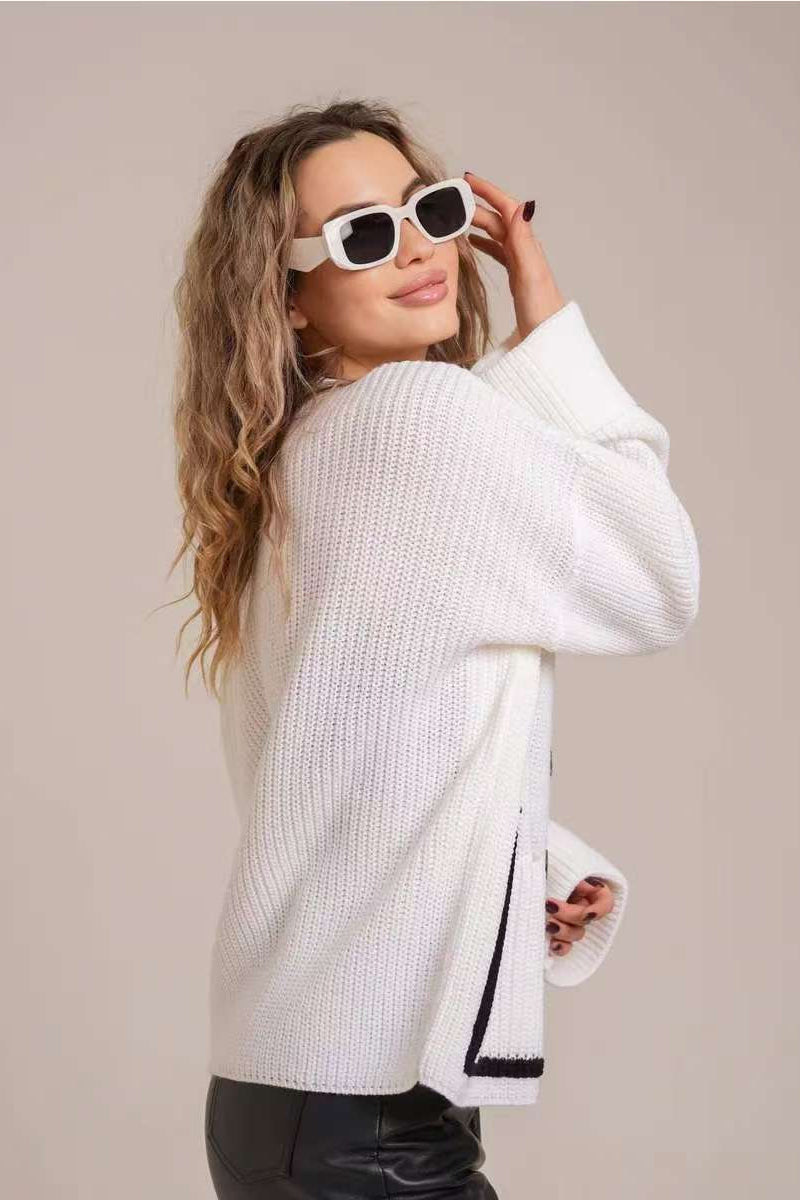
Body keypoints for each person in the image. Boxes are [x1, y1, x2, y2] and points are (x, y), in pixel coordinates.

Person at [171, 98, 700, 1199]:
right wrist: (547, 329)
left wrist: (525, 864)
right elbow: (659, 578)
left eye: (431, 210)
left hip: (285, 1092)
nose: (417, 248)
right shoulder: (419, 418)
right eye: (364, 234)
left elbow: (325, 772)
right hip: (368, 1122)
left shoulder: (297, 463)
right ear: (288, 296)